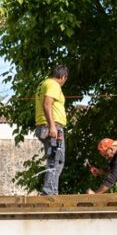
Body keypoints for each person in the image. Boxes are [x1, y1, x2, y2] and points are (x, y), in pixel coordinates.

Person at [33, 65, 68, 195]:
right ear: (63, 77)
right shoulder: (53, 84)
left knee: (53, 158)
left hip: (44, 125)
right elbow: (47, 103)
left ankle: (51, 190)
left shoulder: (43, 83)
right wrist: (52, 125)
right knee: (57, 159)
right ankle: (49, 192)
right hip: (52, 127)